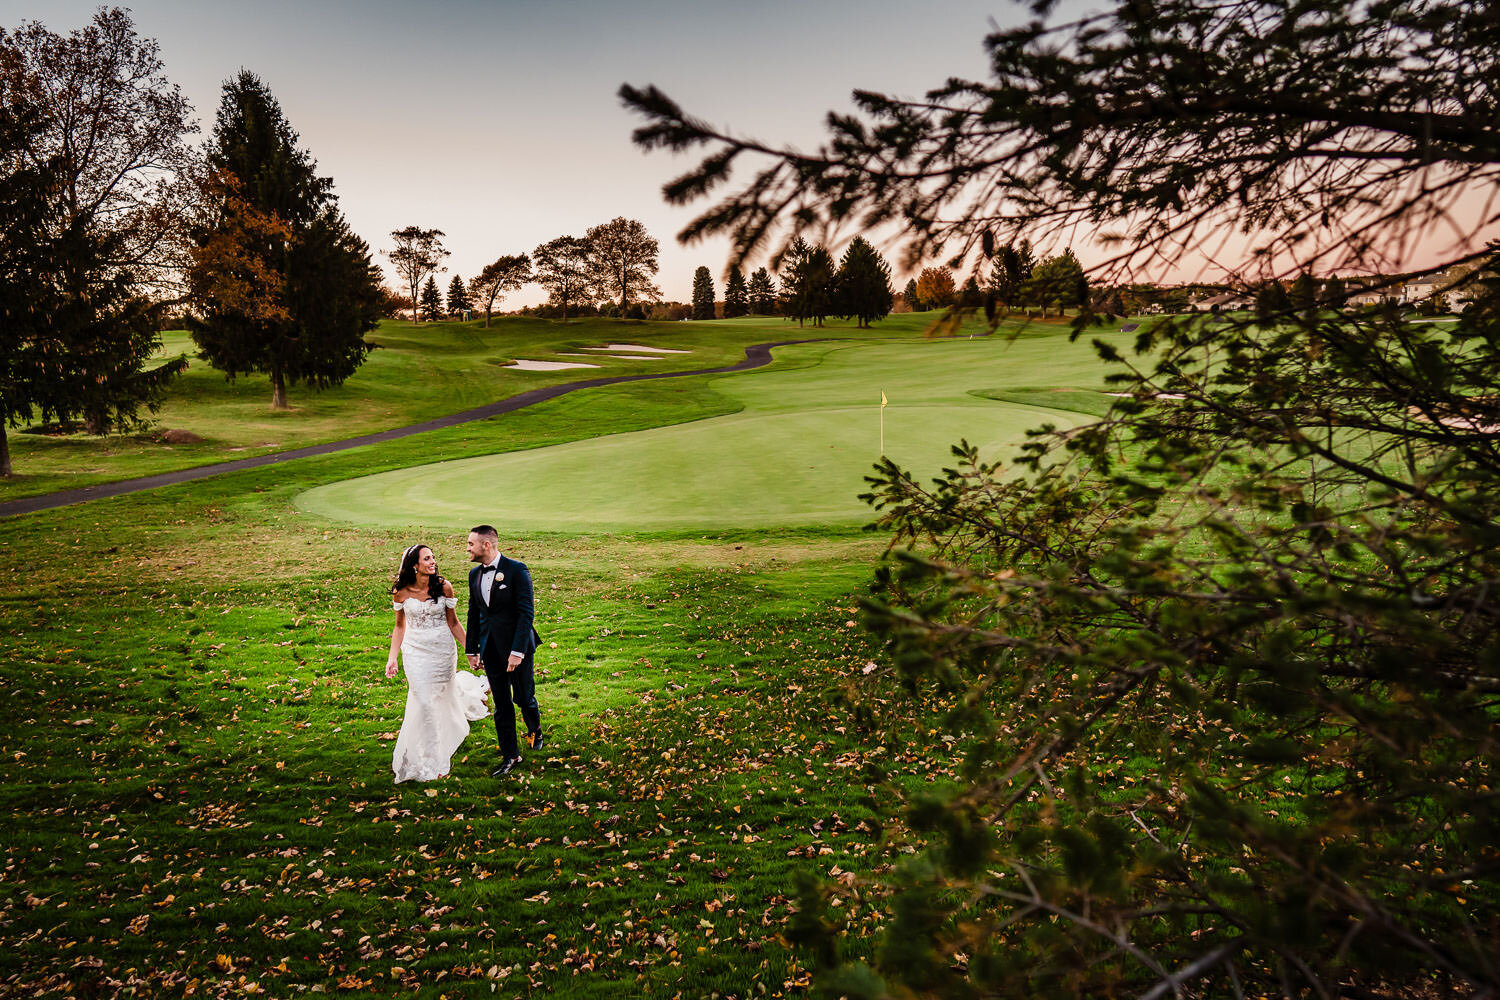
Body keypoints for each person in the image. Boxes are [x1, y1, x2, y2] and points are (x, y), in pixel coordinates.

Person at [385, 544, 489, 783]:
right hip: (415, 651)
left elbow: (453, 623)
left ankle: (440, 741)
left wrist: (470, 650)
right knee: (423, 699)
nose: (433, 561)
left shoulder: (444, 587)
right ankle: (432, 759)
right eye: (427, 558)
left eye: (433, 557)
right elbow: (400, 626)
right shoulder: (401, 592)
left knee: (440, 696)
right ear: (414, 565)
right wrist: (393, 657)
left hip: (442, 650)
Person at [465, 525, 544, 777]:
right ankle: (510, 755)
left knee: (523, 697)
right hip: (490, 650)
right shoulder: (474, 574)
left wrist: (517, 651)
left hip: (517, 649)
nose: (467, 548)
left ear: (486, 545)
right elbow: (474, 613)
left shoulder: (516, 570)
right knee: (501, 705)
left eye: (471, 544)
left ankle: (535, 730)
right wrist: (472, 649)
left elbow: (526, 613)